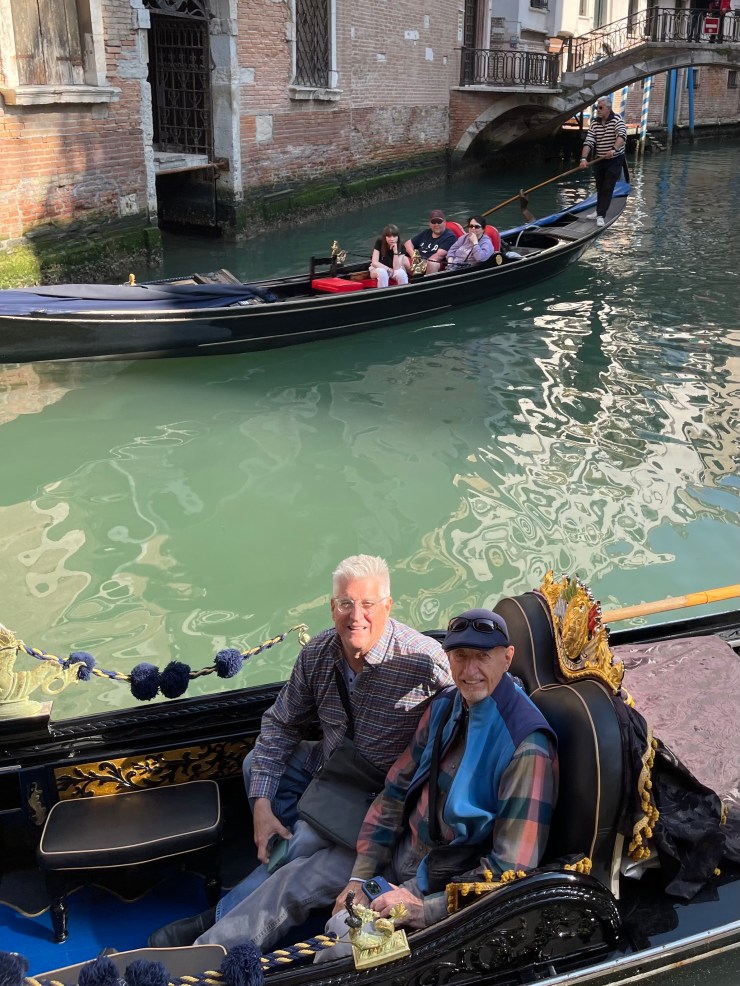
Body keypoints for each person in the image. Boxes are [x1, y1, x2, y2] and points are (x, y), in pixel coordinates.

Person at [148, 554, 452, 950]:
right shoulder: (318, 653)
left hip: (388, 801)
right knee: (257, 766)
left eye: (368, 604)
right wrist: (261, 806)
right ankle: (287, 839)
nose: (356, 616)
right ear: (332, 607)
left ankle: (215, 929)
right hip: (337, 777)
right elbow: (281, 723)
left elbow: (462, 720)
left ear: (388, 606)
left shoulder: (424, 662)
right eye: (345, 603)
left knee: (303, 849)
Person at [316, 608, 558, 959]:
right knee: (295, 884)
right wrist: (361, 876)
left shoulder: (527, 746)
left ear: (507, 658)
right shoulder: (445, 705)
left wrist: (423, 909)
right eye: (460, 656)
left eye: (482, 657)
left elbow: (510, 873)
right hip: (401, 850)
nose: (469, 671)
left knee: (337, 950)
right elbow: (395, 792)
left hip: (446, 883)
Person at [578, 97, 627, 227]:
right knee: (600, 186)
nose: (598, 110)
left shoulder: (617, 120)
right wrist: (583, 159)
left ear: (608, 108)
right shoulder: (594, 123)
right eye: (597, 108)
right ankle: (599, 210)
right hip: (600, 158)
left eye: (600, 108)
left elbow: (622, 136)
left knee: (607, 186)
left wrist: (614, 149)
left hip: (615, 159)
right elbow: (589, 141)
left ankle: (601, 215)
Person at [403, 210, 458, 275]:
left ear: (444, 222)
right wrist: (414, 256)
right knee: (401, 258)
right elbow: (408, 243)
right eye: (433, 222)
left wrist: (422, 264)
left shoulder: (450, 237)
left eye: (439, 222)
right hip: (417, 262)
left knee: (432, 263)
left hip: (434, 265)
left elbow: (438, 256)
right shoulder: (426, 233)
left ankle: (426, 280)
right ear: (430, 224)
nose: (436, 224)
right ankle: (405, 280)